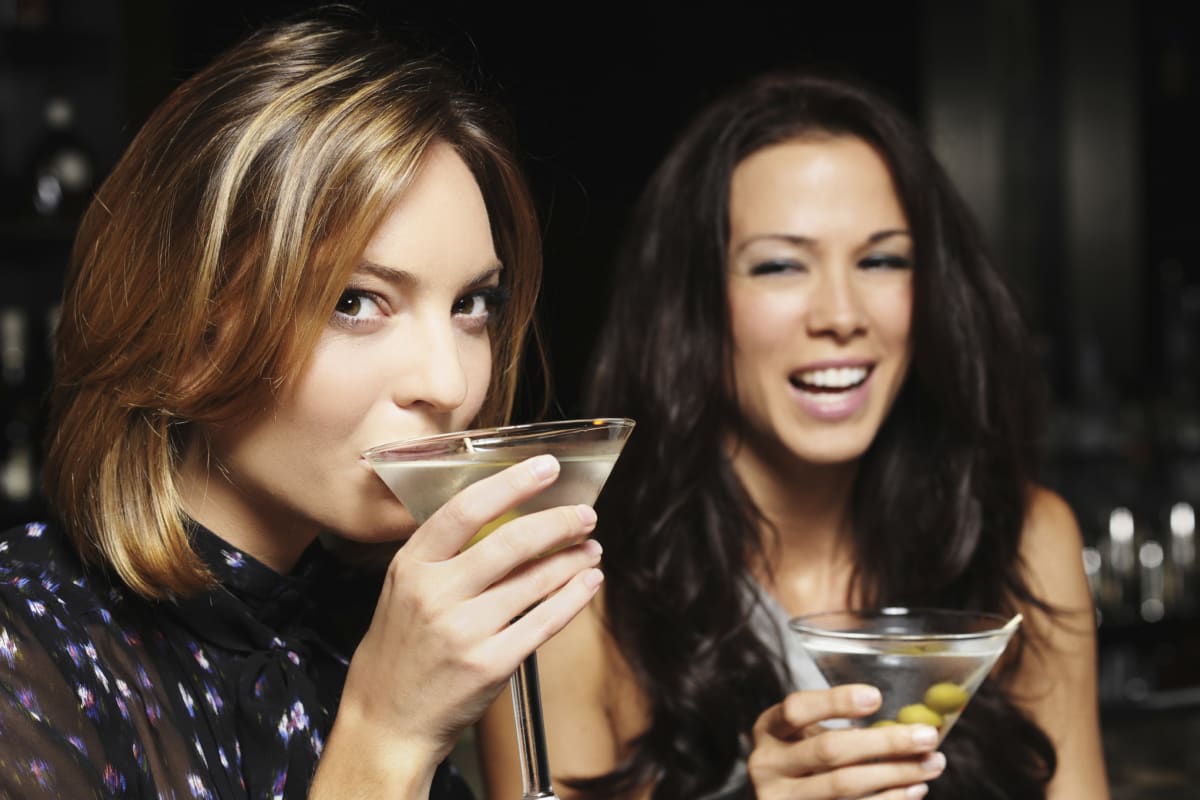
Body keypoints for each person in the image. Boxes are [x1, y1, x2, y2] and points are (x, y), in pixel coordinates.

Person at [0, 6, 606, 799]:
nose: (450, 385)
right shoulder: (26, 646)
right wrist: (387, 738)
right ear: (187, 334)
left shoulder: (377, 630)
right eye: (355, 302)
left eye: (473, 304)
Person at [477, 71, 1109, 799]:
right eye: (780, 265)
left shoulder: (1023, 542)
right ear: (696, 306)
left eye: (881, 260)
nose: (841, 314)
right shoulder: (567, 592)